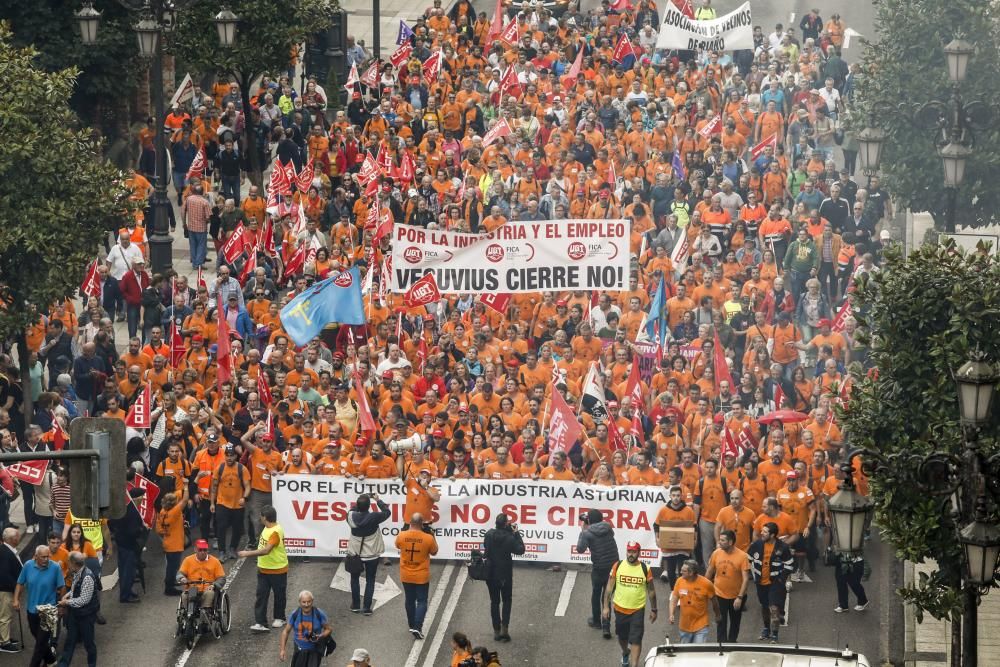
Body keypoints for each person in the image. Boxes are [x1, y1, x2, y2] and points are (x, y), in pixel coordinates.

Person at [603, 541, 657, 667]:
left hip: (637, 610)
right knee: (622, 637)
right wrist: (606, 607)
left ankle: (634, 664)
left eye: (633, 552)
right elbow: (609, 588)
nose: (631, 554)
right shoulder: (618, 565)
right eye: (629, 551)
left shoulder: (645, 569)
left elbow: (651, 591)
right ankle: (625, 652)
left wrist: (654, 609)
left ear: (639, 553)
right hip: (619, 608)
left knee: (636, 639)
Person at [239, 505, 288, 632]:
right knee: (261, 595)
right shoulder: (267, 528)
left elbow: (266, 550)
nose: (259, 518)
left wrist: (247, 554)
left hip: (277, 569)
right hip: (264, 569)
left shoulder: (276, 531)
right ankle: (260, 622)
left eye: (261, 516)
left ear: (265, 517)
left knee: (279, 595)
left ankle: (280, 617)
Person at [14, 545, 64, 667]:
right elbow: (20, 583)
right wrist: (16, 599)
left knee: (40, 643)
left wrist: (61, 606)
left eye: (48, 556)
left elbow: (62, 587)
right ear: (36, 557)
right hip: (32, 610)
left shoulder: (55, 567)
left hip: (48, 611)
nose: (46, 559)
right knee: (38, 638)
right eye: (43, 557)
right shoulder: (28, 566)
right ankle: (51, 660)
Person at [748, 521, 794, 643]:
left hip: (775, 584)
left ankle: (774, 635)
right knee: (764, 606)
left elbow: (790, 565)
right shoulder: (756, 545)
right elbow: (748, 560)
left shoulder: (782, 548)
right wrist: (752, 575)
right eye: (762, 531)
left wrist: (781, 579)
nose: (761, 533)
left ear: (772, 535)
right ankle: (766, 629)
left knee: (774, 608)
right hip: (760, 583)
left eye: (765, 532)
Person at [482, 513, 525, 642]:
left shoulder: (489, 534)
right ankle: (504, 629)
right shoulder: (510, 538)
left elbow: (486, 546)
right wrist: (516, 533)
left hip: (491, 574)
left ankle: (496, 630)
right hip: (505, 574)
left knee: (494, 602)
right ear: (506, 524)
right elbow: (521, 550)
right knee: (507, 600)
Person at [576, 508, 619, 638]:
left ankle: (596, 621)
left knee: (596, 593)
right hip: (613, 566)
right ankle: (606, 627)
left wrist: (583, 530)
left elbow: (580, 549)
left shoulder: (587, 533)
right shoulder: (608, 527)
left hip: (599, 567)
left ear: (588, 520)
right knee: (607, 596)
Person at [395, 512, 438, 639]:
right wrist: (432, 534)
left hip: (406, 574)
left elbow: (397, 545)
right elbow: (434, 552)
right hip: (421, 575)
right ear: (422, 524)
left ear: (410, 523)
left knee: (409, 600)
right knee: (422, 601)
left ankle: (411, 624)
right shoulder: (428, 538)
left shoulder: (402, 535)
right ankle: (417, 626)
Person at [346, 493, 390, 615]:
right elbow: (387, 512)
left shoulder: (350, 516)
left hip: (355, 555)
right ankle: (366, 608)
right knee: (370, 580)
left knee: (354, 579)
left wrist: (361, 500)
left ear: (358, 506)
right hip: (372, 555)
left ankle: (355, 605)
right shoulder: (375, 516)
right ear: (369, 506)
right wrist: (378, 500)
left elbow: (353, 509)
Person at [705, 529, 751, 641]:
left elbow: (746, 579)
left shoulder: (743, 556)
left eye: (722, 540)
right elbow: (709, 572)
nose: (719, 542)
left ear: (730, 542)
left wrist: (740, 597)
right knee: (721, 621)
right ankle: (721, 644)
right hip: (719, 594)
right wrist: (704, 589)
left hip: (736, 596)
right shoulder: (716, 553)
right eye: (720, 540)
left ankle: (732, 642)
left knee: (735, 622)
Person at [55, 552, 99, 667]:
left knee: (89, 644)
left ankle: (92, 664)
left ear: (74, 563)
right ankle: (63, 665)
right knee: (70, 642)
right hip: (75, 615)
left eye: (68, 562)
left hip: (86, 616)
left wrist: (66, 602)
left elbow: (83, 600)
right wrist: (68, 595)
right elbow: (75, 589)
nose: (67, 564)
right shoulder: (77, 573)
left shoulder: (87, 577)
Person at [668, 559, 719, 644]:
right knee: (684, 653)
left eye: (683, 571)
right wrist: (671, 614)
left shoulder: (706, 584)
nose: (680, 572)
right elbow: (674, 598)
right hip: (684, 625)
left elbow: (714, 601)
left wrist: (718, 615)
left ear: (691, 573)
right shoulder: (679, 581)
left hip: (701, 625)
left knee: (697, 652)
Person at [280, 589, 333, 667]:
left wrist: (321, 636)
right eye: (304, 602)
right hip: (299, 650)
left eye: (309, 601)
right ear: (299, 602)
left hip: (315, 650)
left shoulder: (319, 613)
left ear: (312, 601)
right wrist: (282, 650)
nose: (306, 604)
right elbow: (285, 632)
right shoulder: (295, 614)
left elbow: (329, 629)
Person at [177, 539, 226, 614]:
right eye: (200, 550)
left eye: (205, 550)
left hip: (208, 589)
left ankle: (205, 613)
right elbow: (180, 573)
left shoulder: (215, 561)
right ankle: (188, 613)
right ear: (195, 550)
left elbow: (221, 578)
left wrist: (214, 585)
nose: (202, 552)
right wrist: (182, 578)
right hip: (192, 589)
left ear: (208, 550)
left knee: (209, 594)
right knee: (184, 595)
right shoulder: (188, 560)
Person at [0, 527, 22, 653]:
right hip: (5, 590)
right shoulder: (6, 553)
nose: (19, 538)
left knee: (4, 614)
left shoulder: (5, 550)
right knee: (5, 616)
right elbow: (5, 574)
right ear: (12, 539)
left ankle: (4, 637)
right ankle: (4, 642)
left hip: (5, 589)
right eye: (17, 536)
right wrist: (16, 588)